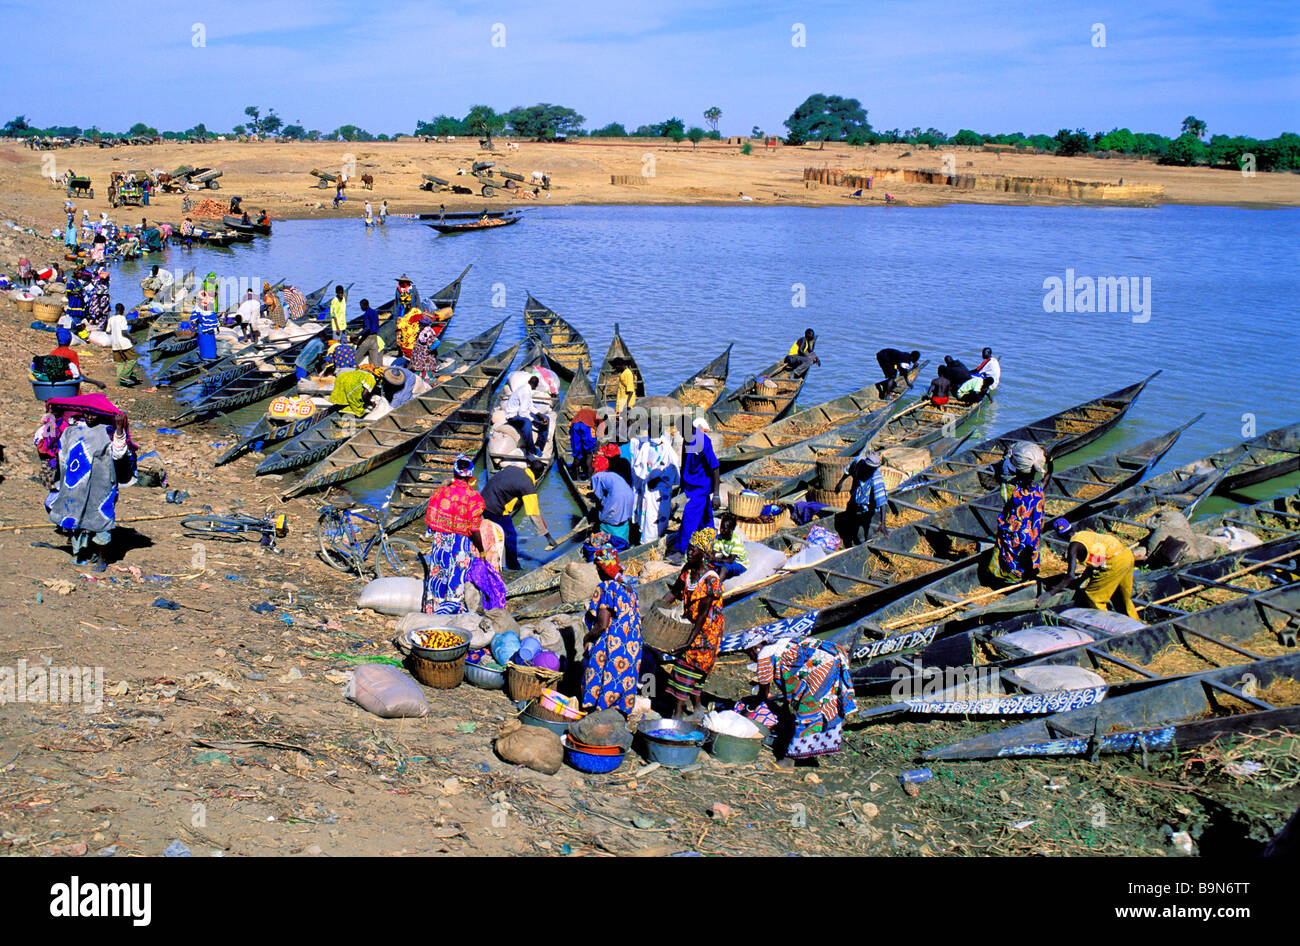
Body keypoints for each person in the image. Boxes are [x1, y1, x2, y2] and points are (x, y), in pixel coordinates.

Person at [44, 404, 135, 570]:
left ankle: (102, 559)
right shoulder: (71, 431)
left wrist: (120, 428)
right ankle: (82, 554)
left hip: (100, 486)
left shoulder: (108, 432)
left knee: (99, 520)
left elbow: (119, 454)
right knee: (77, 517)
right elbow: (60, 452)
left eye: (93, 414)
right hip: (76, 484)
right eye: (87, 414)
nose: (90, 417)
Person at [749, 636, 857, 765]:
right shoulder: (782, 643)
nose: (750, 658)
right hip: (834, 653)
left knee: (809, 707)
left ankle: (789, 761)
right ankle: (814, 749)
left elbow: (763, 689)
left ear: (755, 649)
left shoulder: (764, 654)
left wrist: (749, 710)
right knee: (828, 703)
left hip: (824, 663)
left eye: (749, 653)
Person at [659, 528, 726, 718]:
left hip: (707, 631)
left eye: (694, 549)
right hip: (693, 625)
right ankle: (697, 710)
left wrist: (689, 641)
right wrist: (657, 608)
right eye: (689, 548)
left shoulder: (710, 580)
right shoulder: (687, 571)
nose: (689, 552)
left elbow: (704, 614)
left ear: (703, 554)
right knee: (694, 673)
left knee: (686, 666)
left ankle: (678, 713)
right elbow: (674, 592)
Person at [580, 547, 643, 715]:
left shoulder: (606, 587)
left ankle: (597, 709)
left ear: (601, 569)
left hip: (615, 642)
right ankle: (620, 711)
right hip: (632, 643)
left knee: (599, 666)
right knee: (624, 677)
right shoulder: (629, 586)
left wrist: (587, 637)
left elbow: (602, 624)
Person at [421, 455, 487, 614]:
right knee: (457, 577)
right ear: (470, 475)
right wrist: (482, 550)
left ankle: (433, 610)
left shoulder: (440, 492)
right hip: (461, 543)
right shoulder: (473, 498)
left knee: (438, 574)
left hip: (440, 542)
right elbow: (474, 529)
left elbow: (430, 521)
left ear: (454, 472)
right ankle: (453, 611)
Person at [1046, 518, 1141, 619]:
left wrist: (1050, 593)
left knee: (1094, 597)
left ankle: (1108, 625)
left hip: (1115, 562)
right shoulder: (1085, 535)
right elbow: (1097, 560)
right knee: (1122, 597)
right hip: (1126, 554)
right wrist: (1082, 579)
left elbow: (1070, 576)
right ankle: (1136, 625)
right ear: (1071, 527)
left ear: (1059, 534)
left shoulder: (1073, 547)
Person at [481, 460, 555, 571]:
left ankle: (497, 559)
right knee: (510, 536)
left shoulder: (513, 468)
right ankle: (513, 566)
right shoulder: (528, 486)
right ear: (540, 474)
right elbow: (533, 513)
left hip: (482, 500)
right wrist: (548, 536)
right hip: (495, 509)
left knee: (496, 533)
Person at [988, 449, 1048, 583]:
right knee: (1029, 555)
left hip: (1017, 535)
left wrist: (1007, 457)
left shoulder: (1014, 492)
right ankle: (1029, 575)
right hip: (1032, 534)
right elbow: (1048, 476)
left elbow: (1002, 477)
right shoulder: (1038, 491)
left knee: (1013, 556)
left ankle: (1012, 578)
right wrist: (1050, 461)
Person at [677, 417, 720, 558]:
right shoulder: (687, 439)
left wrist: (717, 494)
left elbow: (715, 467)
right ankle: (710, 540)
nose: (682, 435)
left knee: (689, 517)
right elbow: (684, 458)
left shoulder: (703, 441)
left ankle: (681, 550)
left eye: (683, 432)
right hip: (690, 484)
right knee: (705, 517)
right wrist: (682, 480)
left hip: (701, 486)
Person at [630, 430, 679, 543]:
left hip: (661, 489)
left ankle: (658, 539)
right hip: (649, 489)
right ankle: (647, 542)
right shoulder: (646, 446)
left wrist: (658, 479)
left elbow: (673, 468)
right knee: (649, 516)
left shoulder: (666, 448)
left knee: (660, 514)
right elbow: (639, 467)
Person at [834, 449, 888, 544]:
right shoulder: (858, 462)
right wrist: (841, 482)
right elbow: (848, 470)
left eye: (874, 468)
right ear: (866, 464)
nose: (872, 470)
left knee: (868, 532)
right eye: (870, 468)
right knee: (851, 518)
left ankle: (867, 541)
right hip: (858, 499)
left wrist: (883, 524)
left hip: (870, 506)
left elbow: (882, 501)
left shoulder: (876, 476)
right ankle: (851, 535)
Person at [591, 467, 637, 548]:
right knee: (623, 516)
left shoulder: (596, 476)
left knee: (607, 516)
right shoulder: (612, 474)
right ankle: (623, 543)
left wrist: (599, 512)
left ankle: (608, 545)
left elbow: (598, 496)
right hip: (629, 494)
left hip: (617, 497)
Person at [505, 375, 542, 458]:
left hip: (518, 414)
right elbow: (522, 413)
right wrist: (535, 421)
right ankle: (530, 449)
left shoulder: (527, 389)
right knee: (527, 422)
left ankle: (540, 445)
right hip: (512, 417)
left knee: (546, 419)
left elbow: (530, 406)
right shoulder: (525, 391)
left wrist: (541, 416)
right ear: (536, 385)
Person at [568, 406, 605, 480]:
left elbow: (570, 428)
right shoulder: (597, 416)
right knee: (589, 454)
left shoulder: (580, 413)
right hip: (587, 426)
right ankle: (590, 478)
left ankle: (577, 477)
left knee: (577, 453)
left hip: (575, 426)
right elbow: (601, 431)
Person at [106, 303, 138, 386]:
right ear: (122, 310)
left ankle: (119, 383)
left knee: (121, 362)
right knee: (133, 359)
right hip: (124, 343)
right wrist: (132, 339)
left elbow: (107, 331)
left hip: (115, 343)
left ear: (116, 309)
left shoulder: (111, 319)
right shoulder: (122, 318)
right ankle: (125, 376)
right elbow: (124, 332)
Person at [712, 513, 749, 580]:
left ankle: (717, 587)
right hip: (726, 561)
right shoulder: (720, 537)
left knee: (724, 567)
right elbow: (714, 552)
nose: (721, 531)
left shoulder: (735, 540)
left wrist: (716, 559)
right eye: (721, 528)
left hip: (739, 564)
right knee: (709, 564)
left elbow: (730, 560)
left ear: (731, 529)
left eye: (724, 529)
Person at [353, 298, 384, 365]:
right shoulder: (375, 312)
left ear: (364, 306)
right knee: (373, 361)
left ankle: (351, 367)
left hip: (368, 338)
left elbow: (367, 327)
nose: (361, 308)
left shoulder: (366, 314)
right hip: (375, 337)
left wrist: (358, 335)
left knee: (357, 355)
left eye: (361, 306)